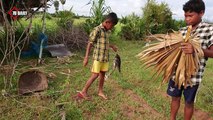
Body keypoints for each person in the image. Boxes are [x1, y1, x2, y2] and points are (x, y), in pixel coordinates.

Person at [167, 0, 213, 120]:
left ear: (201, 13)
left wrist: (196, 49)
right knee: (175, 98)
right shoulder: (182, 30)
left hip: (194, 76)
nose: (187, 19)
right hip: (176, 74)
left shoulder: (209, 30)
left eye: (190, 16)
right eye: (185, 15)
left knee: (188, 102)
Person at [77, 12, 118, 100]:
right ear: (107, 22)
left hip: (105, 58)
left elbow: (104, 43)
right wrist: (86, 57)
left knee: (102, 74)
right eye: (112, 25)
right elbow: (90, 43)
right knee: (95, 75)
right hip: (98, 58)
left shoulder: (108, 31)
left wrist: (112, 46)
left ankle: (100, 91)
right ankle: (83, 92)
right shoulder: (97, 30)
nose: (112, 27)